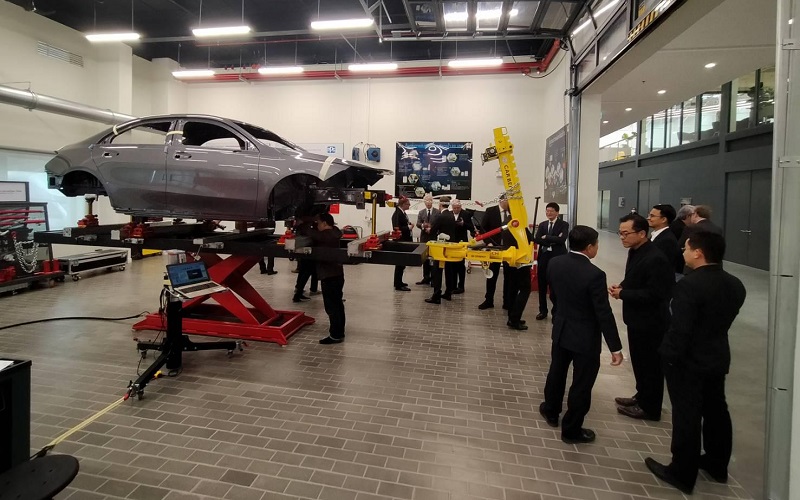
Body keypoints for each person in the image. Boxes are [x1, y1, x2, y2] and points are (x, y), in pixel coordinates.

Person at [644, 232, 746, 494]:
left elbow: (681, 329)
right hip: (717, 356)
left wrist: (668, 356)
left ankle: (682, 472)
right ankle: (716, 464)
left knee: (687, 415)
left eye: (686, 248)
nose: (683, 253)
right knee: (716, 410)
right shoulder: (735, 284)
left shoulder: (689, 286)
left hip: (687, 361)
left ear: (699, 252)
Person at [539, 225, 624, 444]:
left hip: (561, 329)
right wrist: (615, 347)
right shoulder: (595, 274)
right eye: (597, 244)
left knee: (556, 372)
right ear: (589, 247)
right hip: (585, 337)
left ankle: (550, 410)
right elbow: (603, 313)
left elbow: (554, 296)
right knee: (581, 383)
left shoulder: (555, 263)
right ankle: (571, 429)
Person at [609, 213, 674, 421]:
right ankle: (642, 396)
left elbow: (657, 294)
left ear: (642, 233)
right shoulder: (636, 251)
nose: (622, 237)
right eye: (620, 233)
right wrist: (622, 286)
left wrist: (624, 294)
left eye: (626, 233)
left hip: (651, 322)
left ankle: (650, 408)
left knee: (651, 366)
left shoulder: (656, 258)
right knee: (639, 362)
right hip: (637, 319)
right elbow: (636, 278)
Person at [310, 213, 346, 345]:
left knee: (331, 307)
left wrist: (302, 224)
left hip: (329, 275)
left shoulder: (326, 235)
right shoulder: (335, 232)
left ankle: (335, 335)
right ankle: (339, 332)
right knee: (338, 305)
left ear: (325, 223)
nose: (317, 226)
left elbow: (313, 234)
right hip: (337, 274)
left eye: (318, 223)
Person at [533, 202, 569, 320]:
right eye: (547, 211)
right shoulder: (542, 225)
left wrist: (547, 237)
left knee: (555, 286)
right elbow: (538, 239)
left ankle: (556, 312)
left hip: (557, 258)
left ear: (557, 212)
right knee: (542, 286)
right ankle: (542, 311)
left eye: (551, 211)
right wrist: (553, 240)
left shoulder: (563, 224)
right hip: (543, 257)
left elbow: (562, 239)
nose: (549, 213)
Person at [477, 196, 513, 310]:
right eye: (508, 201)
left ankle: (507, 301)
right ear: (502, 200)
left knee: (509, 275)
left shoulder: (513, 211)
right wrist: (488, 242)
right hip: (493, 247)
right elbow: (483, 229)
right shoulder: (491, 211)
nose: (510, 203)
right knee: (492, 274)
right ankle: (489, 300)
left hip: (508, 248)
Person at [647, 204, 683, 277]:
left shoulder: (667, 240)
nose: (648, 218)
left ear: (663, 219)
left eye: (652, 216)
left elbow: (661, 265)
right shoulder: (656, 235)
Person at [292, 217, 319, 302]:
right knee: (307, 271)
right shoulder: (309, 226)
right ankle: (298, 294)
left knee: (304, 270)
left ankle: (299, 290)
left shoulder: (302, 226)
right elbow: (314, 237)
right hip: (308, 251)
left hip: (303, 251)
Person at [415, 194, 440, 286]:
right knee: (425, 259)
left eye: (430, 201)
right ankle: (426, 278)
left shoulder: (437, 212)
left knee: (433, 258)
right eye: (427, 201)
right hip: (424, 237)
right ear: (424, 202)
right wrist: (423, 226)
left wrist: (432, 229)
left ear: (432, 201)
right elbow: (418, 223)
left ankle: (433, 279)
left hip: (433, 237)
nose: (428, 203)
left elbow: (439, 224)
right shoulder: (421, 212)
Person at [391, 196, 413, 291]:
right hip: (401, 240)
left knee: (402, 264)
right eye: (408, 204)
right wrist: (408, 227)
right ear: (403, 204)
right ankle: (398, 284)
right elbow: (397, 228)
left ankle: (399, 281)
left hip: (404, 239)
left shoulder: (402, 213)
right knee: (400, 263)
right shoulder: (397, 214)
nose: (409, 205)